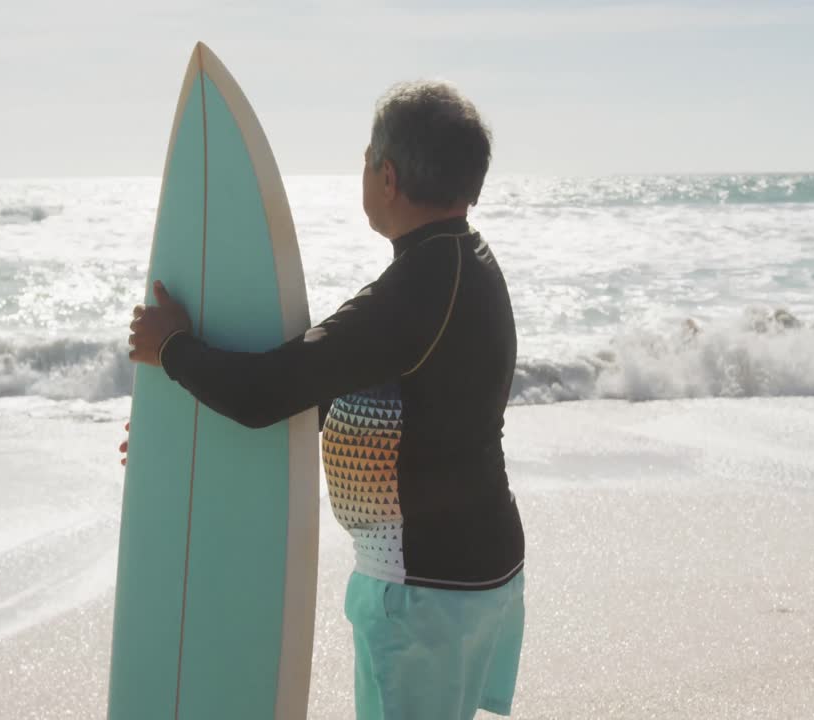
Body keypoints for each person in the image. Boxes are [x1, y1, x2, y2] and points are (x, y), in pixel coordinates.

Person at [123, 80, 525, 720]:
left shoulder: (415, 290)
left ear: (387, 176)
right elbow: (351, 403)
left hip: (426, 592)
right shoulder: (463, 264)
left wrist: (172, 348)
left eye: (367, 159)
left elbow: (267, 392)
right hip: (468, 574)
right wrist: (179, 436)